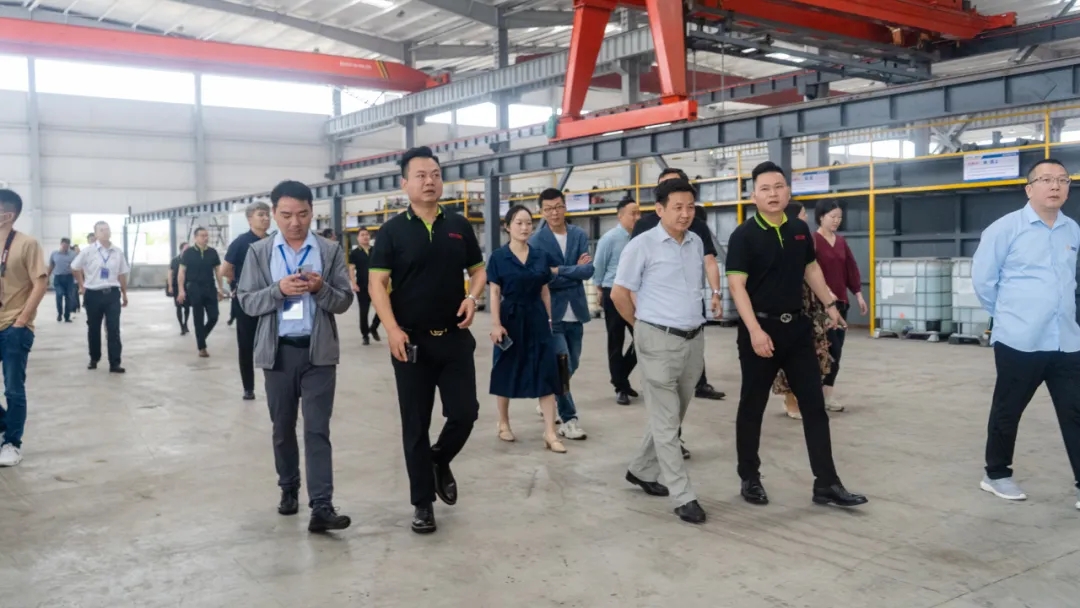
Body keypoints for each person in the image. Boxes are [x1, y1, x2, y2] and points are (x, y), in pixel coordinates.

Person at [725, 161, 867, 508]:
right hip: (761, 331)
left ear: (788, 192)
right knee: (752, 406)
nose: (773, 194)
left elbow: (811, 269)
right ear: (754, 196)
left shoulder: (799, 230)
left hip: (798, 330)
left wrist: (830, 304)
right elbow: (737, 286)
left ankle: (826, 484)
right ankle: (749, 477)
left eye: (778, 187)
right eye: (765, 189)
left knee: (814, 407)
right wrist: (755, 331)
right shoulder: (743, 236)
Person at [368, 146, 487, 534]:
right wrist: (391, 329)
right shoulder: (392, 231)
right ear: (404, 183)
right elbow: (376, 284)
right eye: (420, 175)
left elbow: (478, 271)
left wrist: (472, 297)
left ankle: (438, 459)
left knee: (465, 413)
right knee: (415, 424)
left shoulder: (459, 226)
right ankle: (422, 503)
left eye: (435, 174)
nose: (429, 181)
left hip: (454, 338)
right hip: (411, 343)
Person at [237, 180, 353, 533]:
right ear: (273, 214)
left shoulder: (329, 251)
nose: (295, 222)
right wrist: (278, 290)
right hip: (279, 355)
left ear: (311, 212)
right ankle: (288, 487)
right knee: (282, 428)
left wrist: (320, 288)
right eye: (286, 215)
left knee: (317, 430)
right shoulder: (259, 252)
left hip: (319, 355)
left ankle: (322, 506)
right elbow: (246, 300)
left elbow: (344, 300)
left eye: (302, 214)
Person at [971, 158, 1080, 510]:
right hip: (1020, 340)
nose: (1055, 186)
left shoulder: (1072, 230)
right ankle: (996, 474)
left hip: (1066, 339)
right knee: (1008, 409)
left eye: (1063, 180)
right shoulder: (1005, 229)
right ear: (1029, 188)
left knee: (1076, 411)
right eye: (1046, 179)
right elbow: (983, 281)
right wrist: (1010, 316)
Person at [611, 179, 715, 524]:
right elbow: (619, 294)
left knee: (672, 415)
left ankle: (641, 469)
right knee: (668, 422)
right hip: (657, 339)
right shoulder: (641, 246)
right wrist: (641, 328)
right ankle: (683, 496)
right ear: (659, 209)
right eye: (677, 207)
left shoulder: (696, 242)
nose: (685, 214)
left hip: (693, 339)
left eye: (690, 207)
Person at [631, 167, 726, 404]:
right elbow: (631, 278)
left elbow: (709, 261)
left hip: (690, 303)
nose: (684, 213)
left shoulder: (697, 227)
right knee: (662, 385)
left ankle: (699, 383)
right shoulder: (644, 227)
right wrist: (640, 317)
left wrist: (716, 293)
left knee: (692, 350)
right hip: (656, 313)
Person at [487, 204, 565, 453]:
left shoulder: (540, 256)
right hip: (510, 318)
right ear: (508, 227)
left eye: (528, 223)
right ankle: (503, 422)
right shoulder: (498, 257)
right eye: (519, 223)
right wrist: (496, 324)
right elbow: (495, 292)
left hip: (537, 318)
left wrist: (549, 320)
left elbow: (545, 290)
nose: (524, 227)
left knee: (547, 371)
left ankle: (550, 433)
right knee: (505, 368)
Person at [529, 188, 593, 441]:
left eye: (558, 207)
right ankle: (569, 419)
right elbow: (543, 277)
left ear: (565, 207)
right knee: (561, 367)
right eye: (548, 209)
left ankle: (549, 393)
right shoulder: (536, 241)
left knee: (572, 363)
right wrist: (573, 270)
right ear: (541, 212)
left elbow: (588, 271)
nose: (554, 213)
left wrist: (559, 271)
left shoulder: (578, 234)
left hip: (576, 311)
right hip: (550, 314)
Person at [0, 189, 48, 468]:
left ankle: (12, 444)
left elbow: (40, 283)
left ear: (7, 215)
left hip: (14, 326)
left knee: (13, 389)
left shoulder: (27, 244)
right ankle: (4, 426)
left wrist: (22, 320)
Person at [770, 204, 832, 420]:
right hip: (790, 305)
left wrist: (827, 298)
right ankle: (790, 399)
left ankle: (806, 397)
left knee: (814, 354)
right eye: (804, 213)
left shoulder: (805, 237)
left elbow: (813, 269)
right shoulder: (780, 240)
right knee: (788, 356)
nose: (807, 217)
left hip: (811, 305)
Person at [812, 199, 868, 412]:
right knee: (825, 350)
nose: (836, 221)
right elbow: (811, 271)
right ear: (821, 217)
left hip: (842, 304)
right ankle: (812, 395)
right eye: (832, 217)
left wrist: (859, 294)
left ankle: (828, 396)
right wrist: (826, 292)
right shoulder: (813, 241)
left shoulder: (841, 242)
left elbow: (851, 269)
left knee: (837, 351)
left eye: (839, 218)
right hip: (821, 307)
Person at [593, 196, 642, 406]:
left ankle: (619, 377)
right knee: (616, 340)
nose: (637, 217)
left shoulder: (640, 238)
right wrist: (599, 290)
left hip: (635, 294)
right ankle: (621, 388)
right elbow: (599, 266)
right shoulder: (609, 239)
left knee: (642, 338)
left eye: (639, 213)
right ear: (620, 216)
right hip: (612, 292)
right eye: (633, 213)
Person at [222, 202, 271, 400]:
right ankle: (248, 388)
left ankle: (275, 384)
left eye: (267, 215)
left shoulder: (274, 241)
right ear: (250, 219)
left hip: (271, 298)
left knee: (272, 342)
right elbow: (225, 269)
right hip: (247, 301)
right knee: (246, 345)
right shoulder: (241, 243)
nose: (266, 218)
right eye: (261, 215)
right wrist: (238, 285)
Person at [71, 221, 129, 373]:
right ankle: (94, 358)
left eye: (107, 229)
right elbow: (74, 267)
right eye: (101, 230)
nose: (105, 232)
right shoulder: (88, 251)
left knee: (113, 328)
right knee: (94, 328)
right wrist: (82, 285)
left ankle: (115, 363)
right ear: (96, 234)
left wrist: (124, 293)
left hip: (112, 294)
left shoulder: (117, 252)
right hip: (93, 294)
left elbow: (122, 274)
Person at [177, 227, 227, 358]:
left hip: (209, 287)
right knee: (198, 318)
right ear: (195, 237)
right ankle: (202, 347)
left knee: (214, 316)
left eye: (206, 235)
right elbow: (181, 272)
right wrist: (181, 290)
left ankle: (201, 336)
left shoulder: (212, 252)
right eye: (202, 235)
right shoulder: (188, 253)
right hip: (194, 288)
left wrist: (220, 288)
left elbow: (218, 271)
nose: (206, 238)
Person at [349, 227, 381, 345]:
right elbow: (351, 269)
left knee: (382, 308)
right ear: (358, 238)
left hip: (376, 285)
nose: (365, 237)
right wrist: (354, 283)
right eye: (362, 235)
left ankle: (374, 327)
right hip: (362, 286)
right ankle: (365, 335)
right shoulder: (355, 253)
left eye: (367, 234)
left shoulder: (375, 250)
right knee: (364, 312)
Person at [48, 238, 77, 323]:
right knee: (59, 294)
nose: (65, 248)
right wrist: (47, 277)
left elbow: (76, 266)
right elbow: (51, 265)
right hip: (58, 278)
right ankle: (59, 314)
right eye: (64, 246)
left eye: (67, 246)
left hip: (69, 278)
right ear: (61, 244)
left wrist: (77, 278)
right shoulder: (54, 254)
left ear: (69, 246)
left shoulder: (73, 254)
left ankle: (67, 316)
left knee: (69, 297)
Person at [167, 242, 191, 335]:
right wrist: (170, 286)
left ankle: (185, 324)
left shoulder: (190, 260)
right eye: (186, 249)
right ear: (181, 250)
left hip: (187, 286)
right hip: (176, 286)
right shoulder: (175, 260)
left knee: (187, 307)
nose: (188, 251)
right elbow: (170, 274)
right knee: (179, 306)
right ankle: (182, 327)